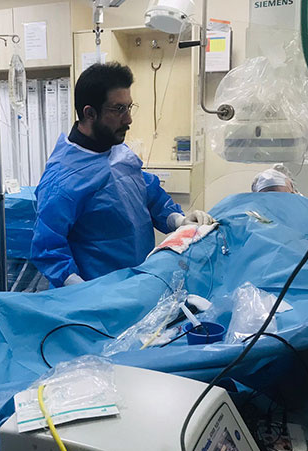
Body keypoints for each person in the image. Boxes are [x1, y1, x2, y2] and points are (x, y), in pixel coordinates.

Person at [30, 62, 213, 288]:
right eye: (118, 109)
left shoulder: (118, 152)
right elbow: (48, 247)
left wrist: (180, 220)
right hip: (98, 295)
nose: (128, 119)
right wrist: (80, 291)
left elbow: (150, 195)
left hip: (138, 282)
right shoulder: (62, 179)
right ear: (90, 113)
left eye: (129, 107)